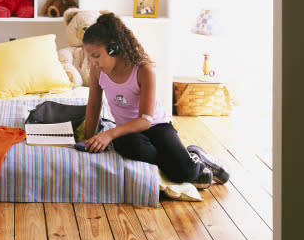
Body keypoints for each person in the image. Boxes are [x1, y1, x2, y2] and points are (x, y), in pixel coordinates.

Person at [82, 12, 230, 187]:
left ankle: (195, 159)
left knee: (183, 172)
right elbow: (93, 105)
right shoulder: (98, 71)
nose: (93, 63)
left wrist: (108, 134)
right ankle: (177, 161)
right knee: (132, 147)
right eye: (90, 57)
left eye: (96, 56)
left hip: (157, 127)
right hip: (127, 132)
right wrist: (87, 140)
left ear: (113, 48)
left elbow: (145, 121)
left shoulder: (144, 71)